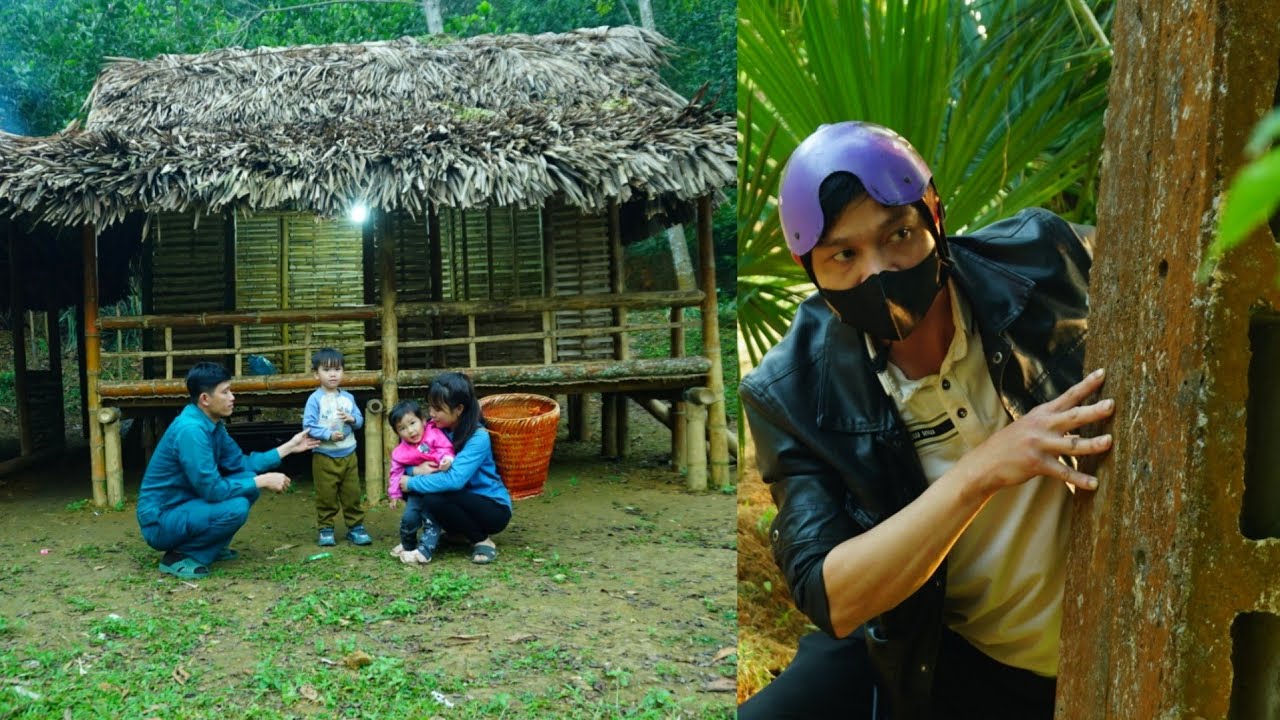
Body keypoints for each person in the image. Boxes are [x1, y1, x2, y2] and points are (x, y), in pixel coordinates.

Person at [737, 121, 1115, 720]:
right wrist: (979, 473)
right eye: (844, 254)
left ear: (934, 213)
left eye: (899, 234)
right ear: (807, 265)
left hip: (1112, 640)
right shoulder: (790, 391)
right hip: (952, 656)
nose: (878, 271)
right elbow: (830, 591)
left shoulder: (1046, 262)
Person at [136, 362, 320, 580]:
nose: (232, 397)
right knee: (237, 505)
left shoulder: (212, 425)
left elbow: (241, 464)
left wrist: (289, 447)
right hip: (161, 520)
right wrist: (262, 481)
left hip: (186, 506)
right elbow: (212, 490)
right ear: (205, 399)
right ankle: (180, 555)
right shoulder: (191, 431)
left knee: (247, 485)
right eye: (225, 392)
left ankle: (210, 545)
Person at [393, 372, 512, 565]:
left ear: (458, 409)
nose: (431, 413)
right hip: (457, 499)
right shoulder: (433, 429)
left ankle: (482, 540)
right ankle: (457, 532)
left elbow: (454, 480)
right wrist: (414, 471)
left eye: (438, 408)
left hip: (491, 507)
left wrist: (413, 482)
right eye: (430, 406)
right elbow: (407, 459)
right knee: (423, 492)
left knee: (433, 497)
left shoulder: (478, 437)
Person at [302, 348, 370, 547]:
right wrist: (328, 435)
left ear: (343, 372)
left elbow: (359, 420)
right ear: (316, 374)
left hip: (349, 454)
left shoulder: (348, 398)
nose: (333, 374)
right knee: (326, 494)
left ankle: (356, 527)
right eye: (326, 369)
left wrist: (351, 419)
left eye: (337, 369)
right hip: (324, 455)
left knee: (352, 493)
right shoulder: (315, 399)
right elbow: (308, 426)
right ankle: (326, 528)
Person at [384, 399, 456, 563]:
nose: (410, 431)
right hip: (416, 491)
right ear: (397, 433)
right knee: (409, 518)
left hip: (435, 489)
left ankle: (425, 551)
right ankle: (408, 546)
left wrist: (447, 460)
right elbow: (395, 473)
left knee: (430, 518)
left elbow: (446, 449)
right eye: (402, 428)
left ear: (423, 420)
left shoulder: (434, 434)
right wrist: (394, 493)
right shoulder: (400, 452)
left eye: (412, 423)